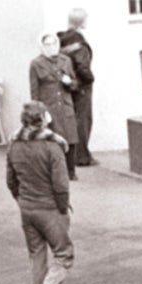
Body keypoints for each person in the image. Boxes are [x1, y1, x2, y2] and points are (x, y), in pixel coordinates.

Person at [4, 102, 73, 284]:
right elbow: (61, 184)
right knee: (64, 254)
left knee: (37, 254)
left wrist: (21, 199)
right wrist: (63, 208)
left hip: (27, 207)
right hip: (50, 208)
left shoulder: (14, 145)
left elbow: (11, 180)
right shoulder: (52, 147)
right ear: (42, 119)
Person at [27, 32, 79, 166]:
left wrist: (70, 82)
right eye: (47, 44)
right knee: (53, 140)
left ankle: (70, 170)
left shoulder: (66, 61)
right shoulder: (36, 64)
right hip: (49, 107)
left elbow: (75, 85)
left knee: (70, 138)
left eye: (53, 43)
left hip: (65, 106)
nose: (51, 47)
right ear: (42, 46)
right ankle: (55, 170)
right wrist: (40, 112)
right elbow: (34, 92)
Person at [56, 9, 94, 167]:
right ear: (82, 22)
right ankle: (82, 156)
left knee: (71, 119)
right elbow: (83, 67)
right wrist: (90, 79)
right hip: (81, 86)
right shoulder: (79, 42)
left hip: (67, 85)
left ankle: (72, 154)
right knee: (83, 120)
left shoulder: (61, 40)